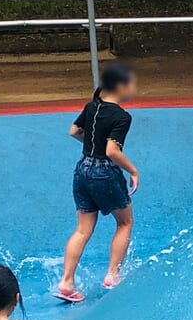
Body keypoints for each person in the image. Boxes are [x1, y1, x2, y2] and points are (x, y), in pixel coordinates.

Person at [57, 63, 140, 302]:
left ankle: (66, 281)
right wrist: (133, 170)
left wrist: (91, 148)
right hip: (105, 171)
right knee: (124, 223)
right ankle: (113, 274)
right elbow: (112, 151)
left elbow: (74, 131)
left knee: (82, 229)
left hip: (82, 168)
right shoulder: (122, 116)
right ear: (121, 86)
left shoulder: (91, 106)